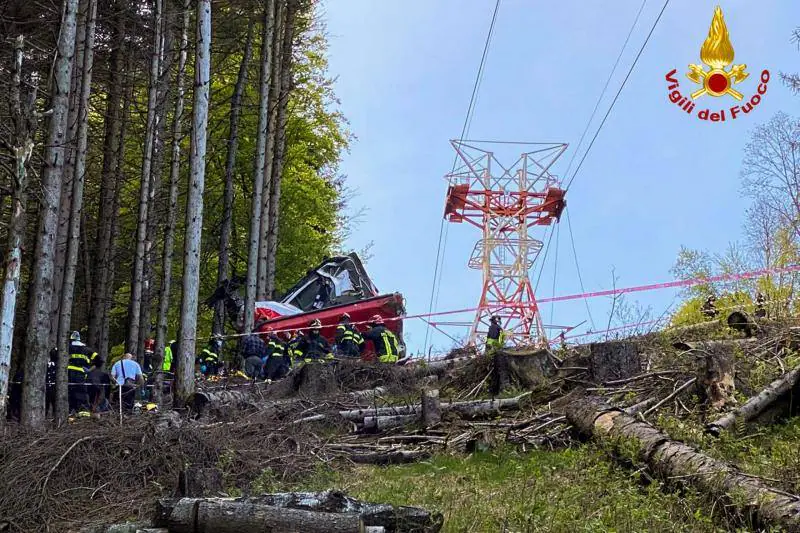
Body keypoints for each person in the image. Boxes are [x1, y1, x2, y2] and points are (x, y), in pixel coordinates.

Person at [68, 331, 96, 416]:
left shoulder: (67, 347)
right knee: (81, 393)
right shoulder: (87, 349)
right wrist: (89, 370)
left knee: (69, 393)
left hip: (69, 373)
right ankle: (82, 413)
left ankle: (71, 412)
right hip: (82, 374)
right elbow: (99, 361)